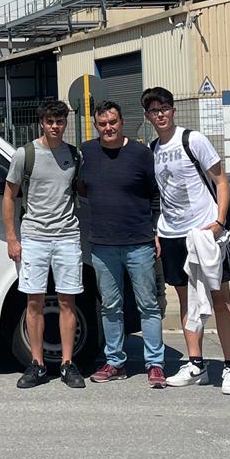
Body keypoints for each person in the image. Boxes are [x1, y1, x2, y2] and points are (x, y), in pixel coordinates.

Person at [142, 87, 230, 395]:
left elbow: (221, 180)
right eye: (154, 110)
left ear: (173, 110)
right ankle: (196, 363)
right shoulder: (152, 149)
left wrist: (219, 222)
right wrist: (157, 230)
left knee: (220, 299)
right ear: (147, 116)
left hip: (205, 233)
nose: (160, 114)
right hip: (173, 234)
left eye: (164, 108)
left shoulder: (192, 139)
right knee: (187, 301)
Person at [79, 101, 166, 388]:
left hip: (139, 242)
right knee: (110, 306)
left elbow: (155, 193)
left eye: (113, 122)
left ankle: (155, 364)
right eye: (102, 124)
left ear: (122, 121)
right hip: (102, 244)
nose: (108, 128)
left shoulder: (141, 153)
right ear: (96, 125)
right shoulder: (86, 152)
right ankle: (115, 362)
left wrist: (155, 229)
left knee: (148, 305)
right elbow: (80, 188)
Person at [1, 98, 85, 389]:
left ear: (65, 123)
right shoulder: (25, 155)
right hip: (34, 236)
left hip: (67, 236)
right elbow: (9, 195)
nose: (55, 126)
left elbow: (80, 190)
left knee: (67, 301)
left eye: (59, 121)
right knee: (33, 302)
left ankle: (67, 363)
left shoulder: (74, 155)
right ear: (41, 123)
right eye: (50, 121)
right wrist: (11, 238)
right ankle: (36, 364)